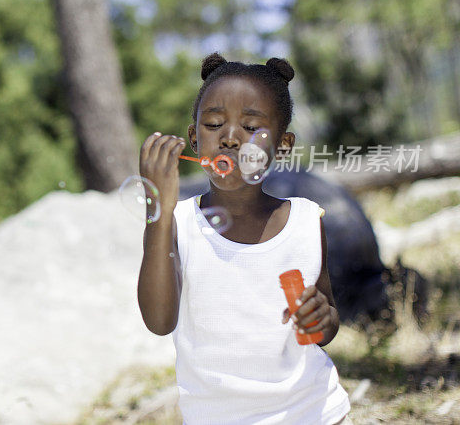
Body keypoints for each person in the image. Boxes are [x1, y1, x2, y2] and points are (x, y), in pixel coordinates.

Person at [137, 53, 352, 424]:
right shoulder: (179, 224)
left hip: (314, 413)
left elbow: (326, 324)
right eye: (214, 123)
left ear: (282, 145)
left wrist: (321, 318)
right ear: (193, 139)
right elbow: (158, 321)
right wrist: (158, 209)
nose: (231, 138)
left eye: (252, 127)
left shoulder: (304, 221)